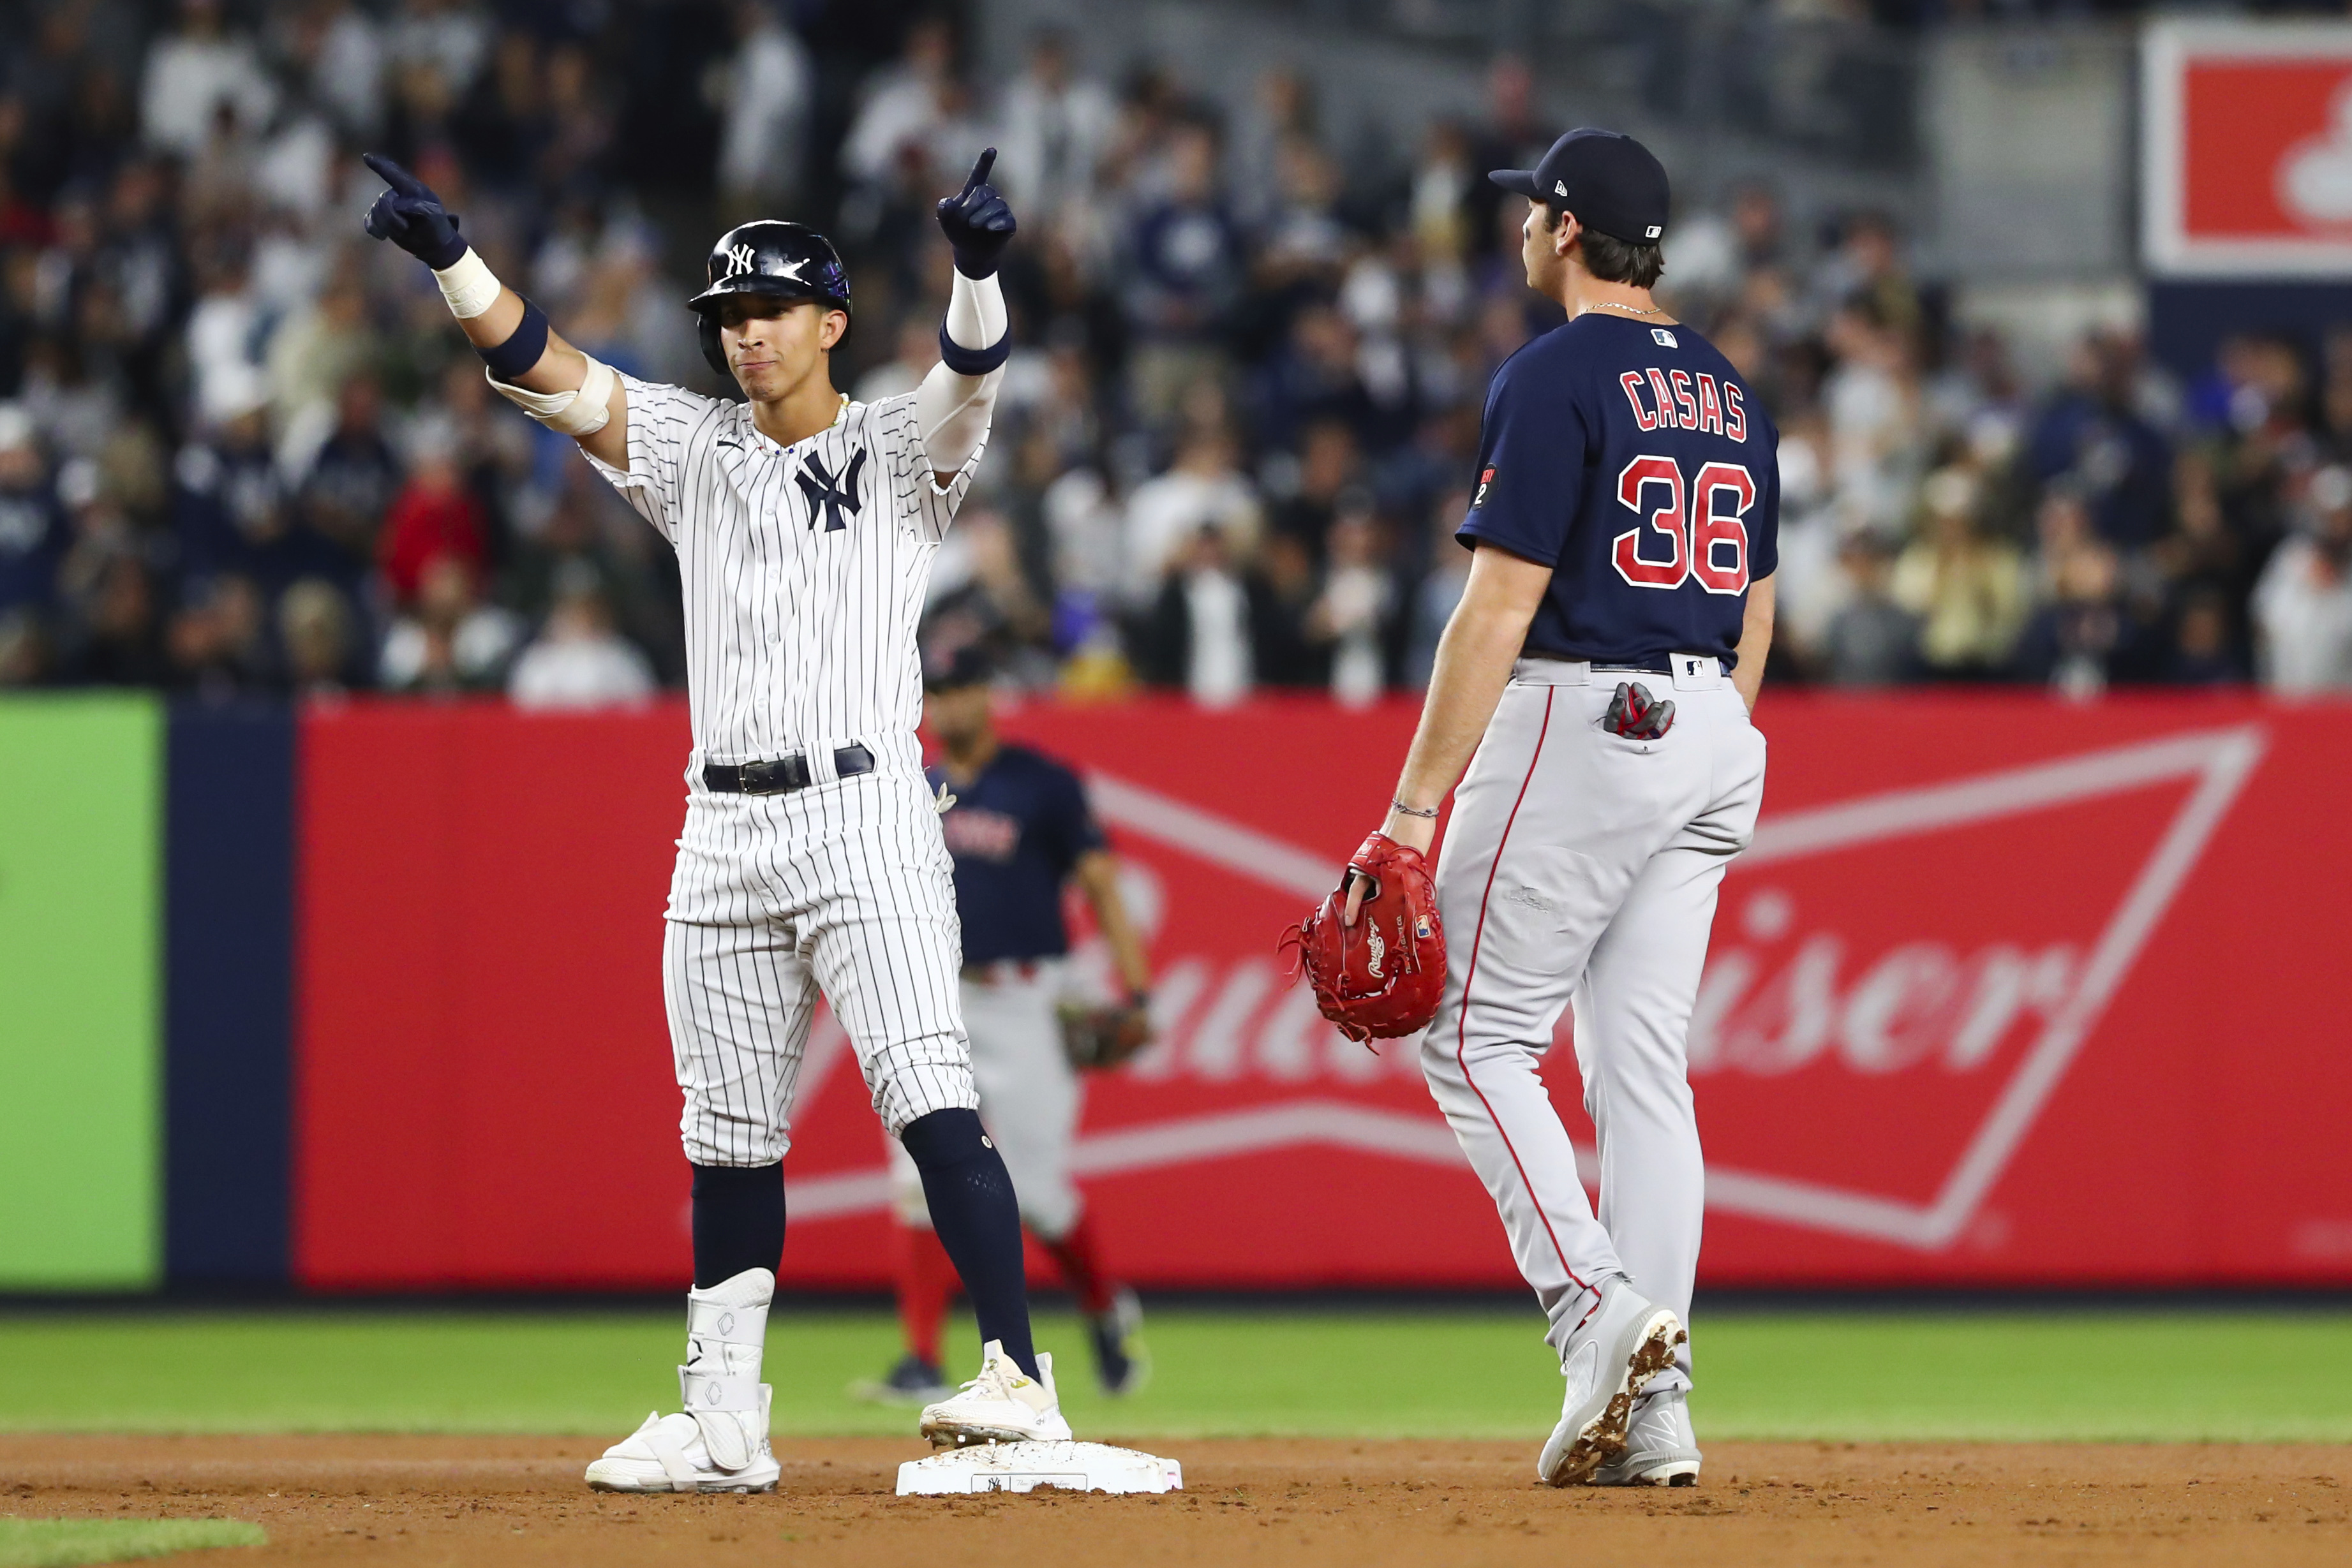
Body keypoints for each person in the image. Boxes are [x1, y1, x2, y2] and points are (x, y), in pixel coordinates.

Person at [359, 145, 1059, 1493]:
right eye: (728, 317)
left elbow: (973, 377)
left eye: (770, 311)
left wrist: (975, 272)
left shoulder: (897, 447)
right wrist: (456, 262)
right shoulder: (687, 448)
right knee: (726, 1130)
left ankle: (1017, 1377)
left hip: (865, 811)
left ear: (831, 323)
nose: (744, 334)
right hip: (721, 826)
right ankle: (724, 1412)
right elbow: (545, 368)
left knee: (927, 1092)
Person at [1348, 129, 1776, 1488]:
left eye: (1532, 210)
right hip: (1712, 720)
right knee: (1641, 1071)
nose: (1519, 229)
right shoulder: (1726, 388)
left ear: (1570, 231)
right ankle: (1659, 1414)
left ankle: (1600, 1316)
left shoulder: (1549, 373)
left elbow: (1495, 606)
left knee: (1468, 1031)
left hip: (1591, 711)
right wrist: (1713, 726)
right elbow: (1756, 602)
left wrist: (1412, 811)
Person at [860, 645, 1155, 1405]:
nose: (949, 704)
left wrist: (1136, 989)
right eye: (937, 690)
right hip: (935, 996)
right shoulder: (909, 786)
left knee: (1038, 1193)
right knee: (915, 1174)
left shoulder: (1042, 783)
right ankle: (920, 1356)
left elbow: (1098, 881)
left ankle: (1102, 1309)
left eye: (962, 687)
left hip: (1026, 996)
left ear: (988, 695)